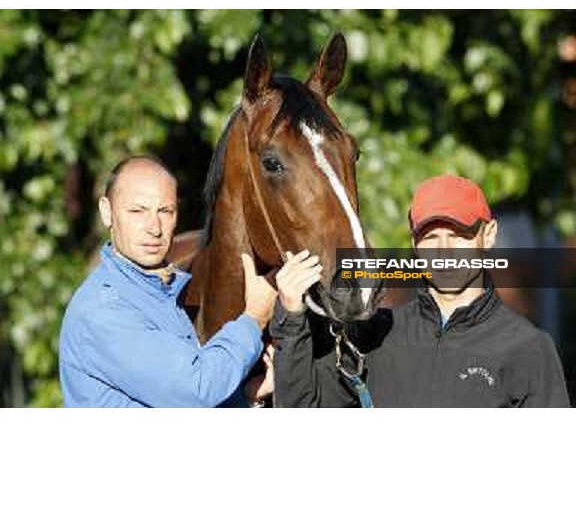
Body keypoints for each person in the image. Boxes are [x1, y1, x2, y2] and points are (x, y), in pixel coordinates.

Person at [271, 174, 571, 407]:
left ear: (488, 235)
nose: (444, 251)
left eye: (457, 235)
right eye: (431, 237)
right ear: (414, 244)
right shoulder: (375, 334)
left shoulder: (528, 348)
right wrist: (292, 316)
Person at [59, 155, 276, 407]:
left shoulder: (162, 294)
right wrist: (254, 318)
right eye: (137, 211)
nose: (154, 227)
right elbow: (196, 389)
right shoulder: (102, 310)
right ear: (107, 212)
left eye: (165, 211)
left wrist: (246, 395)